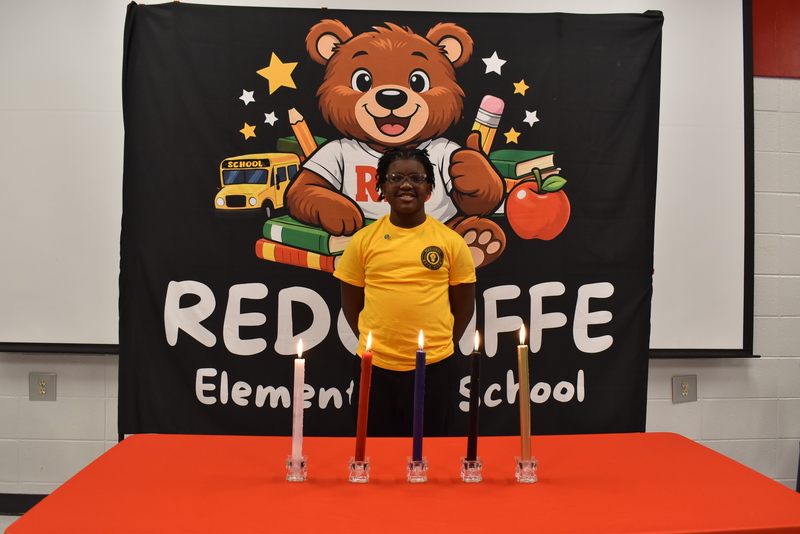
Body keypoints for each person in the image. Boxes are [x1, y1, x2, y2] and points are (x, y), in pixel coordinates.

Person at [333, 146, 476, 437]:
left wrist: (439, 347)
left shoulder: (451, 242)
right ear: (382, 187)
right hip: (375, 368)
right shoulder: (362, 242)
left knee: (430, 457)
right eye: (395, 177)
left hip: (435, 368)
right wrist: (379, 344)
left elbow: (464, 305)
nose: (406, 185)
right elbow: (351, 305)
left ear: (430, 189)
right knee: (374, 457)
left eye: (416, 178)